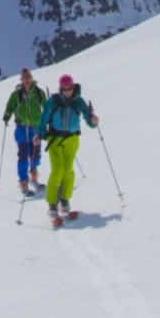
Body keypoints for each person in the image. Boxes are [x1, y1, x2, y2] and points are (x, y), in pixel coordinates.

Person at [36, 73, 99, 224]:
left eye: (69, 88)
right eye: (64, 88)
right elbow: (44, 118)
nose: (67, 91)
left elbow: (87, 118)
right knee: (58, 169)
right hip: (55, 139)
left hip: (72, 139)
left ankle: (64, 200)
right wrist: (40, 134)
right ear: (60, 88)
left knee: (69, 170)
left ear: (73, 87)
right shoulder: (53, 101)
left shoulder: (79, 101)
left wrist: (93, 121)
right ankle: (52, 203)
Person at [1, 68, 46, 196]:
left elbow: (46, 106)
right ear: (21, 80)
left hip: (35, 128)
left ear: (31, 78)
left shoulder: (38, 92)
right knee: (23, 156)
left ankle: (34, 178)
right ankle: (23, 182)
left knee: (35, 156)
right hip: (21, 129)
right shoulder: (17, 94)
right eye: (24, 78)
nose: (26, 80)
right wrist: (6, 116)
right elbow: (10, 106)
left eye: (28, 77)